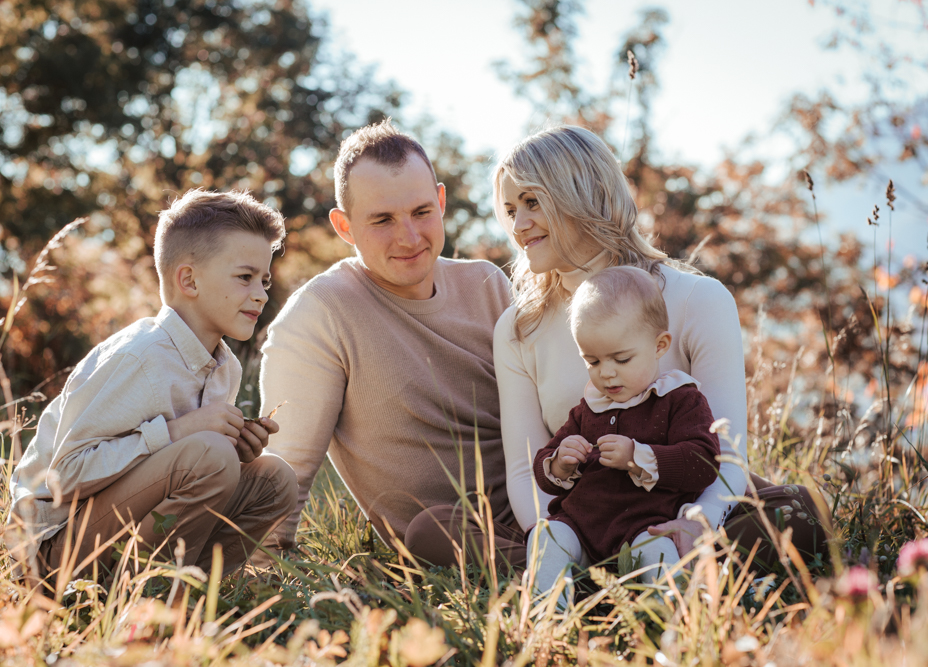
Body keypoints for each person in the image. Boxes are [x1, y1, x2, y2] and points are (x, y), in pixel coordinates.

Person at [494, 125, 828, 576]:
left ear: (584, 194)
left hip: (676, 513)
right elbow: (524, 470)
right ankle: (583, 577)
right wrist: (555, 542)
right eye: (510, 210)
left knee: (801, 515)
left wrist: (696, 525)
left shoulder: (698, 299)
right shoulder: (518, 329)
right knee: (435, 528)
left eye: (532, 203)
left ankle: (657, 571)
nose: (518, 226)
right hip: (582, 521)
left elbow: (726, 454)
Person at [259, 120, 522, 565]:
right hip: (454, 537)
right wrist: (263, 570)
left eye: (421, 212)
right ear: (344, 226)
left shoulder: (487, 285)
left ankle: (580, 550)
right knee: (429, 530)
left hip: (547, 505)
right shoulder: (321, 313)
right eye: (382, 220)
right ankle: (556, 569)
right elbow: (288, 467)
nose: (409, 237)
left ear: (441, 201)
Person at [7, 189, 299, 583]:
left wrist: (237, 449)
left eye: (264, 280)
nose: (261, 295)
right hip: (55, 551)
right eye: (245, 277)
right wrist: (181, 432)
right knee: (210, 455)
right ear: (189, 280)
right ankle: (146, 600)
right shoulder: (139, 356)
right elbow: (65, 477)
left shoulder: (225, 367)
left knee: (275, 479)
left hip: (123, 531)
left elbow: (181, 472)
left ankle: (190, 588)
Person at [530, 266, 720, 609]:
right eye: (592, 361)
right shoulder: (589, 409)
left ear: (660, 345)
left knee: (660, 553)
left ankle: (677, 618)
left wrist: (638, 456)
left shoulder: (680, 399)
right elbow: (544, 470)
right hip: (580, 529)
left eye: (621, 359)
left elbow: (703, 462)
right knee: (546, 536)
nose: (606, 372)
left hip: (644, 528)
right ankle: (547, 615)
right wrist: (558, 463)